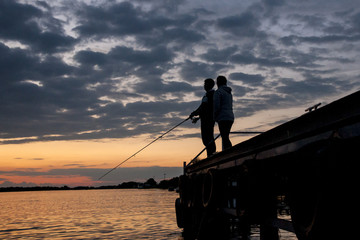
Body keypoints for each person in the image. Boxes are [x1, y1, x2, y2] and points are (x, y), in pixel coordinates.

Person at [189, 78, 216, 157]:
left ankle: (211, 155)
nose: (204, 86)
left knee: (207, 138)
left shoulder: (209, 95)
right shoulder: (211, 95)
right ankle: (211, 154)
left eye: (205, 84)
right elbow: (206, 109)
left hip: (207, 120)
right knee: (208, 137)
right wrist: (198, 117)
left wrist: (194, 113)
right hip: (208, 119)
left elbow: (203, 107)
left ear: (209, 85)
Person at [213, 75, 234, 150]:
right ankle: (229, 151)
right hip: (230, 116)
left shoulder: (218, 92)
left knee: (225, 137)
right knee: (226, 136)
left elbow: (216, 106)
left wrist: (214, 116)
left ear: (217, 83)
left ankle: (229, 152)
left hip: (222, 117)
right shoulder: (229, 93)